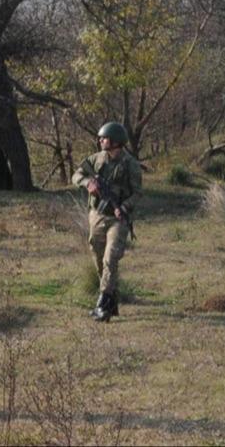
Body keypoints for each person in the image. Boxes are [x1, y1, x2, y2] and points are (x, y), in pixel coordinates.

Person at [71, 122, 141, 322]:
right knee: (98, 256)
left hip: (118, 220)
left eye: (104, 138)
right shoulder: (96, 159)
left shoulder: (131, 165)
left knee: (110, 259)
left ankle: (102, 304)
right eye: (101, 138)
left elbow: (138, 193)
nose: (101, 140)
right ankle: (111, 300)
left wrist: (124, 207)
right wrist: (87, 183)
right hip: (97, 215)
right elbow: (76, 174)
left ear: (116, 141)